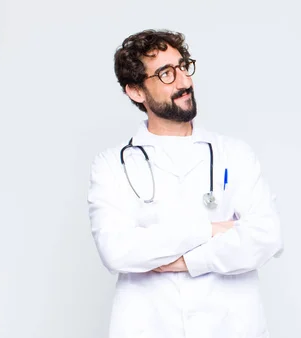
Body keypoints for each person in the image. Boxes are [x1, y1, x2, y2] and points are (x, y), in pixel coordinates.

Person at [87, 29, 283, 338]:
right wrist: (210, 229)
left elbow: (265, 237)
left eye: (183, 66)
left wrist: (185, 261)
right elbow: (117, 250)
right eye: (166, 74)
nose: (184, 82)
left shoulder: (235, 154)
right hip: (149, 327)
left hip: (231, 327)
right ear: (136, 91)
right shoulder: (112, 165)